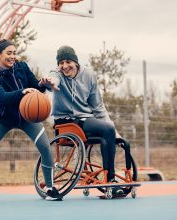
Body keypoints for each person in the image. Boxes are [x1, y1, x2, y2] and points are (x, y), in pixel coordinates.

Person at [0, 39, 62, 203]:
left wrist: (43, 84)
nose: (13, 56)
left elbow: (35, 87)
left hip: (26, 116)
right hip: (3, 118)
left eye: (14, 53)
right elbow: (2, 97)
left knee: (46, 148)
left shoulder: (22, 67)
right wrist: (22, 92)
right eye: (9, 53)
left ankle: (50, 189)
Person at [40, 45, 119, 183]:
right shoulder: (57, 73)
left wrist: (113, 131)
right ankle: (111, 180)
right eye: (61, 63)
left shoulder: (88, 75)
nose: (64, 66)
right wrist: (50, 83)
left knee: (108, 131)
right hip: (64, 121)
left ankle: (107, 174)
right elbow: (54, 78)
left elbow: (98, 106)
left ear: (75, 62)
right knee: (107, 130)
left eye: (68, 62)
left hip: (84, 119)